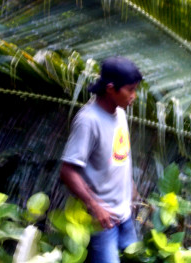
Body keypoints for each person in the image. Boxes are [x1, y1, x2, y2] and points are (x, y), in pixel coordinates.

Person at [59, 56, 142, 263]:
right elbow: (67, 170)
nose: (134, 96)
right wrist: (95, 206)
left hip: (125, 214)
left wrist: (130, 186)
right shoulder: (89, 121)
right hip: (104, 222)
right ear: (111, 89)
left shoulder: (120, 113)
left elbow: (118, 155)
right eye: (130, 90)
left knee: (136, 258)